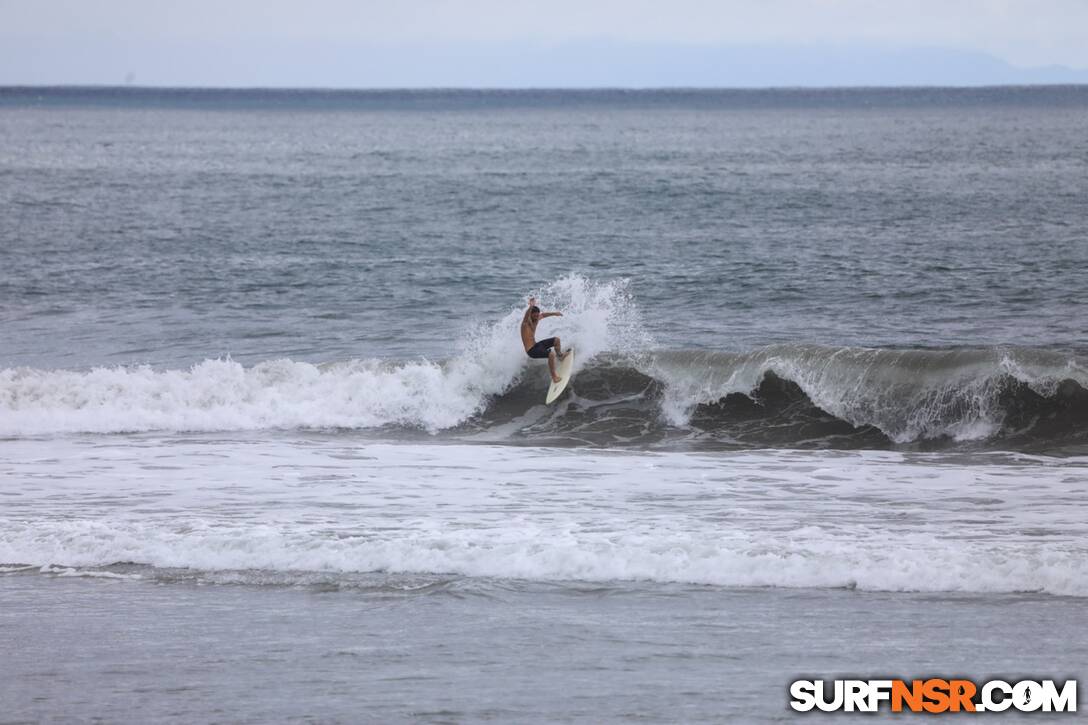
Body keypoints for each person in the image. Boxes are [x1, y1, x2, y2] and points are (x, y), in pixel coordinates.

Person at [520, 296, 570, 383]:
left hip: (536, 345)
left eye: (537, 315)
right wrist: (531, 306)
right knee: (551, 354)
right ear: (530, 314)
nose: (536, 317)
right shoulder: (525, 324)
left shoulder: (536, 319)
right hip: (531, 351)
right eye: (534, 315)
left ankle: (560, 356)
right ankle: (554, 377)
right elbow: (526, 316)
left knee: (556, 340)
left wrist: (555, 313)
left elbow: (543, 315)